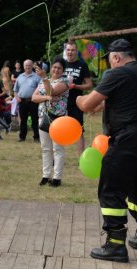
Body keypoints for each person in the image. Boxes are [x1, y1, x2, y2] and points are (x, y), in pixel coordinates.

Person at [76, 39, 137, 263]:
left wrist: (75, 96)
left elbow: (87, 105)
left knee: (110, 188)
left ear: (116, 57)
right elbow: (127, 101)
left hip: (128, 138)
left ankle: (115, 244)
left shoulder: (118, 74)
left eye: (109, 60)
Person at [32, 56, 69, 187]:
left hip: (58, 119)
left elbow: (52, 91)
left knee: (57, 149)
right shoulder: (43, 81)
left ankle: (57, 178)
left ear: (63, 70)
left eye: (59, 68)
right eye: (54, 67)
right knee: (45, 148)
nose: (56, 69)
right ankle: (45, 175)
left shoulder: (65, 81)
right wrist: (47, 97)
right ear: (51, 67)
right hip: (43, 117)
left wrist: (44, 79)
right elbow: (34, 97)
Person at [63, 40, 92, 155]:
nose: (70, 52)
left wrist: (76, 86)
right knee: (58, 128)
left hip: (76, 102)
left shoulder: (82, 65)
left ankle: (81, 158)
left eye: (72, 50)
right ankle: (57, 157)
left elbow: (89, 85)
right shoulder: (61, 64)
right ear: (66, 50)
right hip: (61, 102)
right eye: (68, 50)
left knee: (78, 130)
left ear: (76, 51)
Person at [13, 59, 41, 142]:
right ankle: (22, 137)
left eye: (29, 65)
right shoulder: (20, 77)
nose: (27, 67)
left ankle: (36, 137)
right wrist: (17, 98)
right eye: (26, 65)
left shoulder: (37, 76)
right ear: (23, 66)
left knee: (35, 120)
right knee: (23, 120)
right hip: (22, 101)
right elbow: (15, 90)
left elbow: (41, 89)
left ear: (32, 66)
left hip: (33, 101)